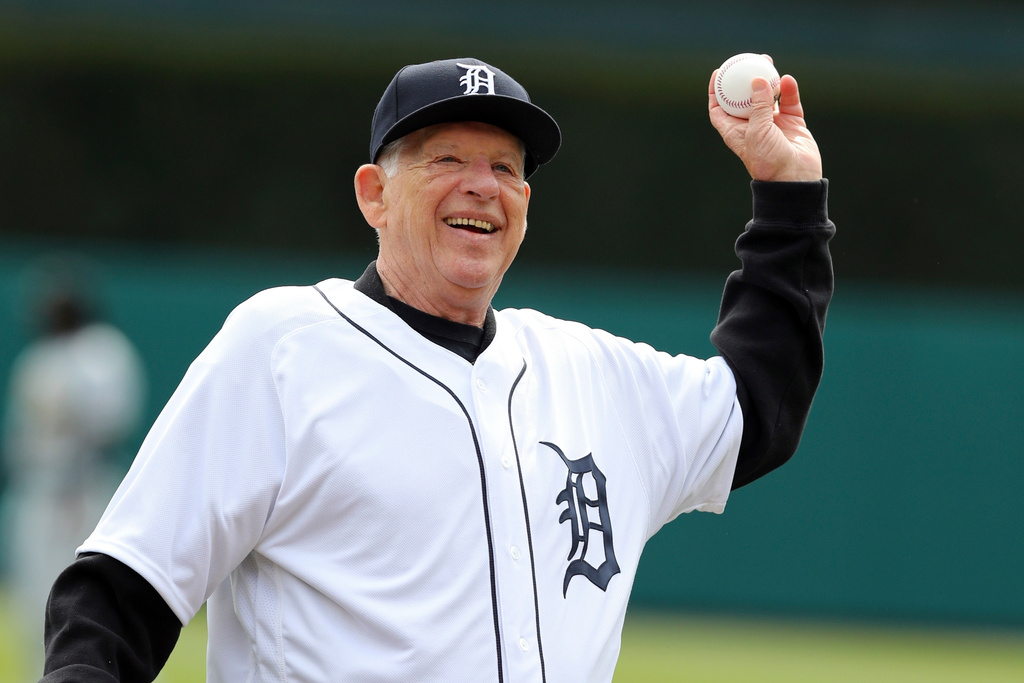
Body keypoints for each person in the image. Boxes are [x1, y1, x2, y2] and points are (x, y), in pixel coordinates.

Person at [39, 56, 834, 682]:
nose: (481, 185)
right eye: (446, 156)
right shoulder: (283, 346)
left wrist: (787, 192)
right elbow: (118, 593)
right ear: (374, 194)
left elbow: (757, 402)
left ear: (524, 202)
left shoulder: (588, 371)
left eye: (505, 166)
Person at [2, 269, 145, 672]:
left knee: (89, 594)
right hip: (37, 490)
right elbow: (23, 436)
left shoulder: (103, 352)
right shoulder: (39, 357)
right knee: (33, 598)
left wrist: (72, 485)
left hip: (84, 489)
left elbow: (104, 427)